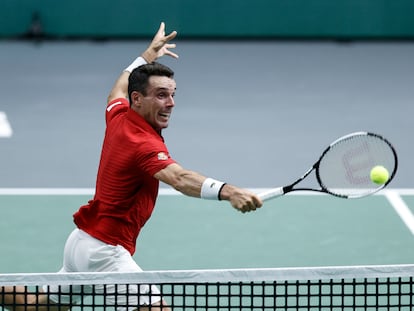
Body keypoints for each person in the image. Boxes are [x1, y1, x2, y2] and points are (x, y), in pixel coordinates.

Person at [0, 22, 262, 311]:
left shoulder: (119, 114)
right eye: (162, 95)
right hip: (104, 251)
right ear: (138, 99)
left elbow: (117, 89)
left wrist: (146, 56)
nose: (171, 103)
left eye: (173, 94)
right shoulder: (143, 144)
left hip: (81, 243)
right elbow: (179, 178)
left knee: (40, 307)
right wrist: (229, 192)